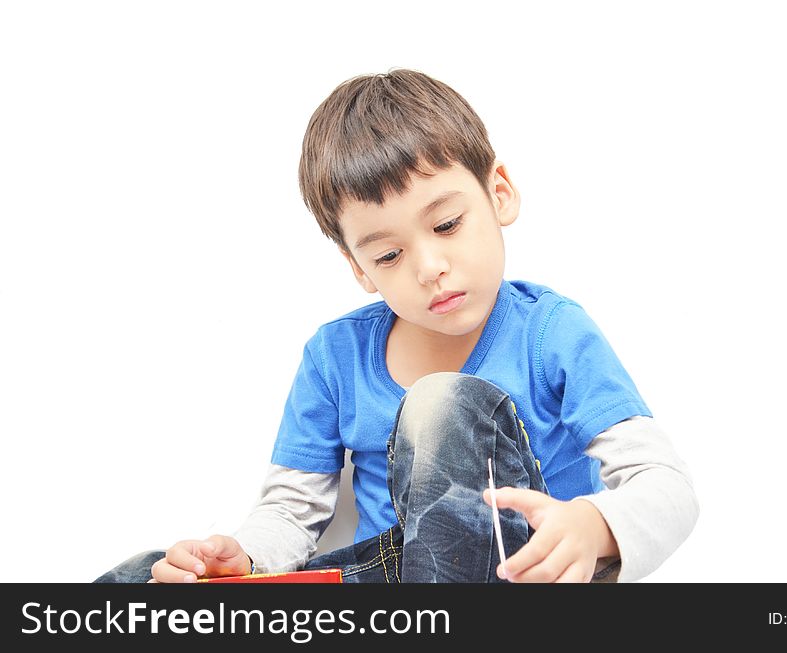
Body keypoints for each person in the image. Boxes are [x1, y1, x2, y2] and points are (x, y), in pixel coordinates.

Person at [95, 68, 699, 584]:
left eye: (446, 225)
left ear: (500, 194)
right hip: (394, 577)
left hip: (521, 571)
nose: (430, 268)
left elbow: (666, 486)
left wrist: (595, 525)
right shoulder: (335, 356)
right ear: (359, 268)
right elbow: (290, 510)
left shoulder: (552, 333)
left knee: (439, 404)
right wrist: (246, 558)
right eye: (388, 256)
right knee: (142, 579)